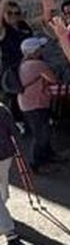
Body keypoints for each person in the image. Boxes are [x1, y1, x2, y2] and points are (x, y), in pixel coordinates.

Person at [16, 37, 59, 173]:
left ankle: (47, 155)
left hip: (26, 103)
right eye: (40, 48)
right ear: (34, 51)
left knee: (41, 131)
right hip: (37, 104)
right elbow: (53, 79)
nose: (42, 50)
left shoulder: (22, 64)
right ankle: (36, 163)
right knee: (40, 134)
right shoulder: (38, 65)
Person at [0, 101, 18, 244]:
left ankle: (8, 229)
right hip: (6, 154)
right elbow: (13, 130)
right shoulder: (2, 108)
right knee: (3, 182)